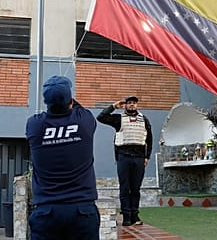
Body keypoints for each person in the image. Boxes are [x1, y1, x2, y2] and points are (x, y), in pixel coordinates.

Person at [25, 75, 99, 240]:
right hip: (82, 212)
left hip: (47, 212)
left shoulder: (34, 125)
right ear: (70, 100)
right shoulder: (84, 121)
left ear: (46, 101)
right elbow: (80, 108)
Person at [97, 95, 152, 226]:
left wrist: (147, 157)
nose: (132, 105)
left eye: (134, 103)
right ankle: (126, 215)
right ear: (125, 105)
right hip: (123, 157)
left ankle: (135, 215)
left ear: (137, 105)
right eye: (129, 103)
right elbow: (100, 117)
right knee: (125, 187)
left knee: (136, 188)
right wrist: (114, 106)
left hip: (139, 158)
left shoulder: (144, 119)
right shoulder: (118, 119)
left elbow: (149, 139)